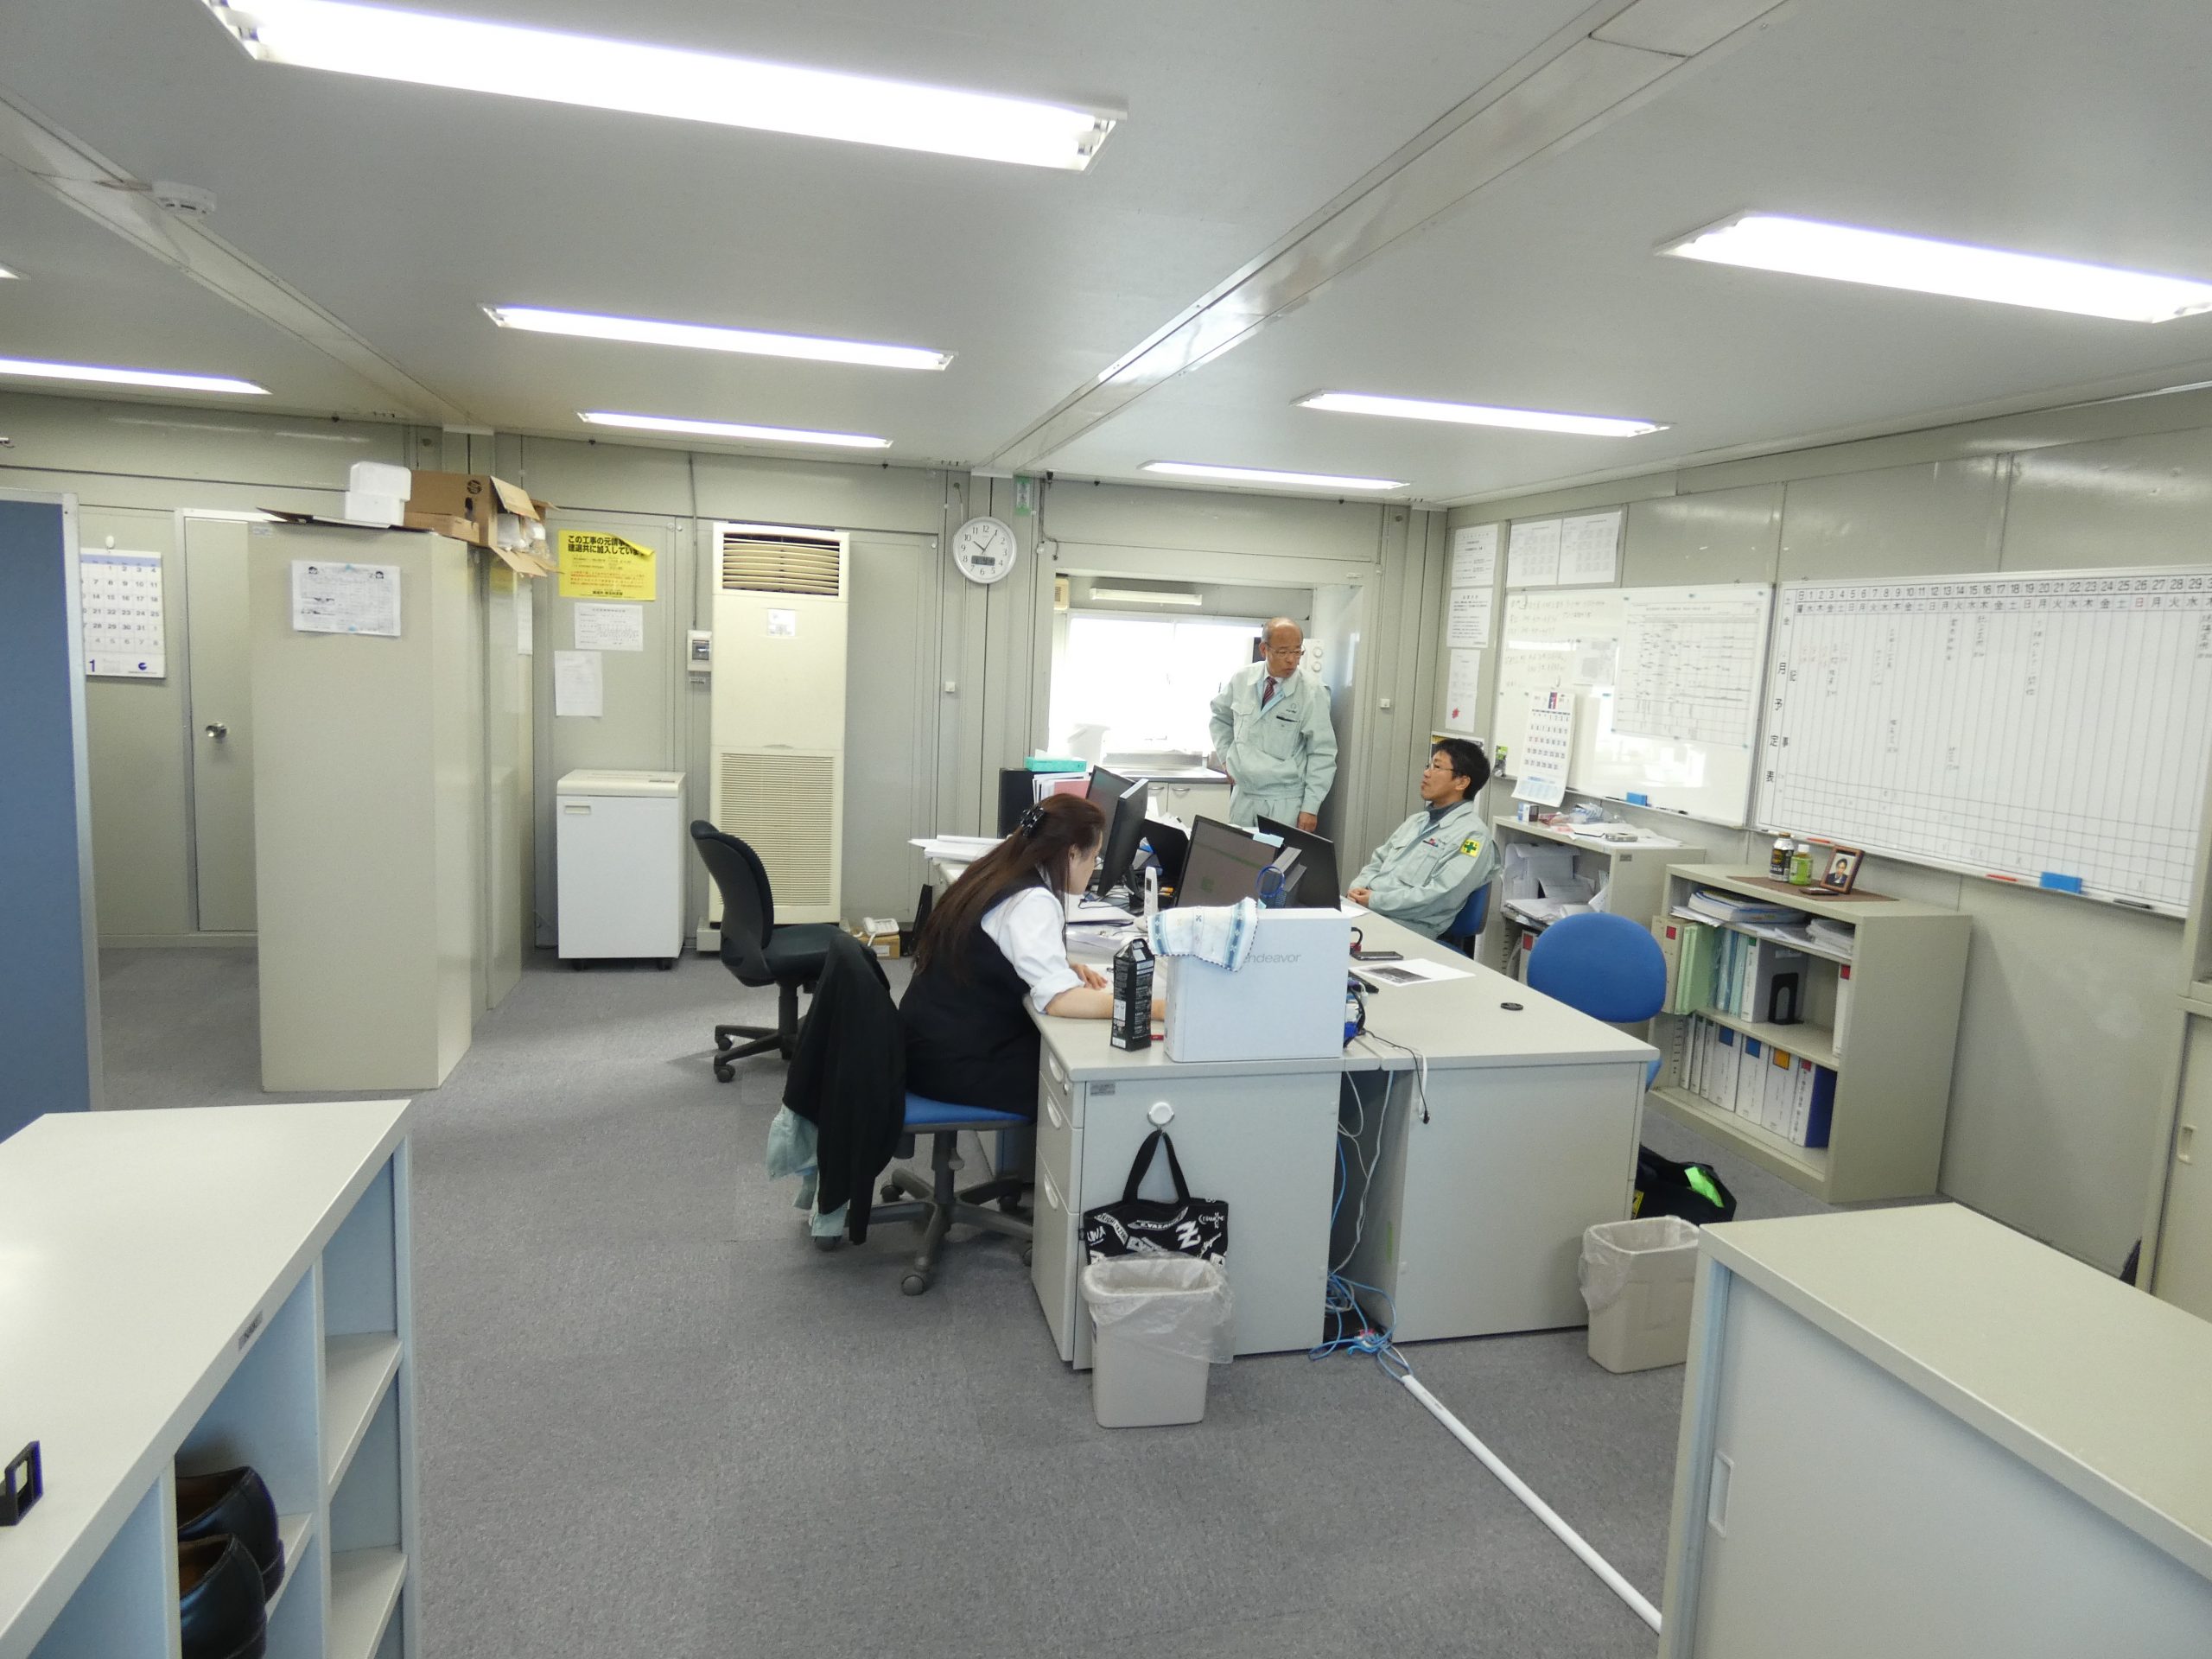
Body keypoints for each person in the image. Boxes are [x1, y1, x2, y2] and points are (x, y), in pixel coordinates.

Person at [902, 795, 1158, 1117]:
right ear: (1072, 853)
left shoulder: (999, 869)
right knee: (1085, 1085)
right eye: (1094, 857)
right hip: (951, 1062)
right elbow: (1060, 1001)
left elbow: (998, 946)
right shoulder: (1032, 901)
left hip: (927, 1040)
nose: (1094, 867)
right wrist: (1155, 1008)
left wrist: (1061, 965)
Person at [1346, 738, 1497, 938]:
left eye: (1437, 767)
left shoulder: (1473, 837)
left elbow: (1440, 897)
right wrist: (1357, 888)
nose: (1426, 773)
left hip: (1407, 929)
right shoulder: (1418, 820)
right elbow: (1379, 861)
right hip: (1367, 913)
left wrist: (1375, 900)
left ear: (1462, 782)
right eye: (1429, 765)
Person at [1208, 617, 1337, 831]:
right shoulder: (1242, 679)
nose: (1292, 660)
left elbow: (1322, 753)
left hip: (1284, 801)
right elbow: (1220, 717)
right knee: (1237, 852)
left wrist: (1311, 808)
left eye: (1297, 652)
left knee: (1278, 854)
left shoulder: (1313, 692)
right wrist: (1225, 758)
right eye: (1283, 652)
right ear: (1264, 649)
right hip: (1244, 796)